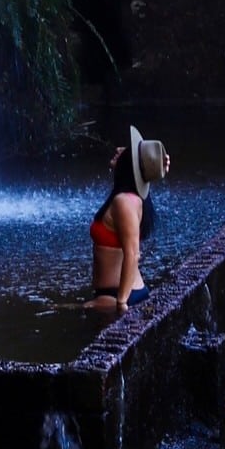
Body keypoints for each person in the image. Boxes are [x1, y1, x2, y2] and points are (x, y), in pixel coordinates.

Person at [85, 126, 169, 313]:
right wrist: (147, 160)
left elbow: (132, 254)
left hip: (119, 295)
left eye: (125, 152)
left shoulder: (124, 202)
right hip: (112, 293)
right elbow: (137, 162)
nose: (118, 151)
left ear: (129, 164)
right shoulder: (133, 198)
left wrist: (121, 303)